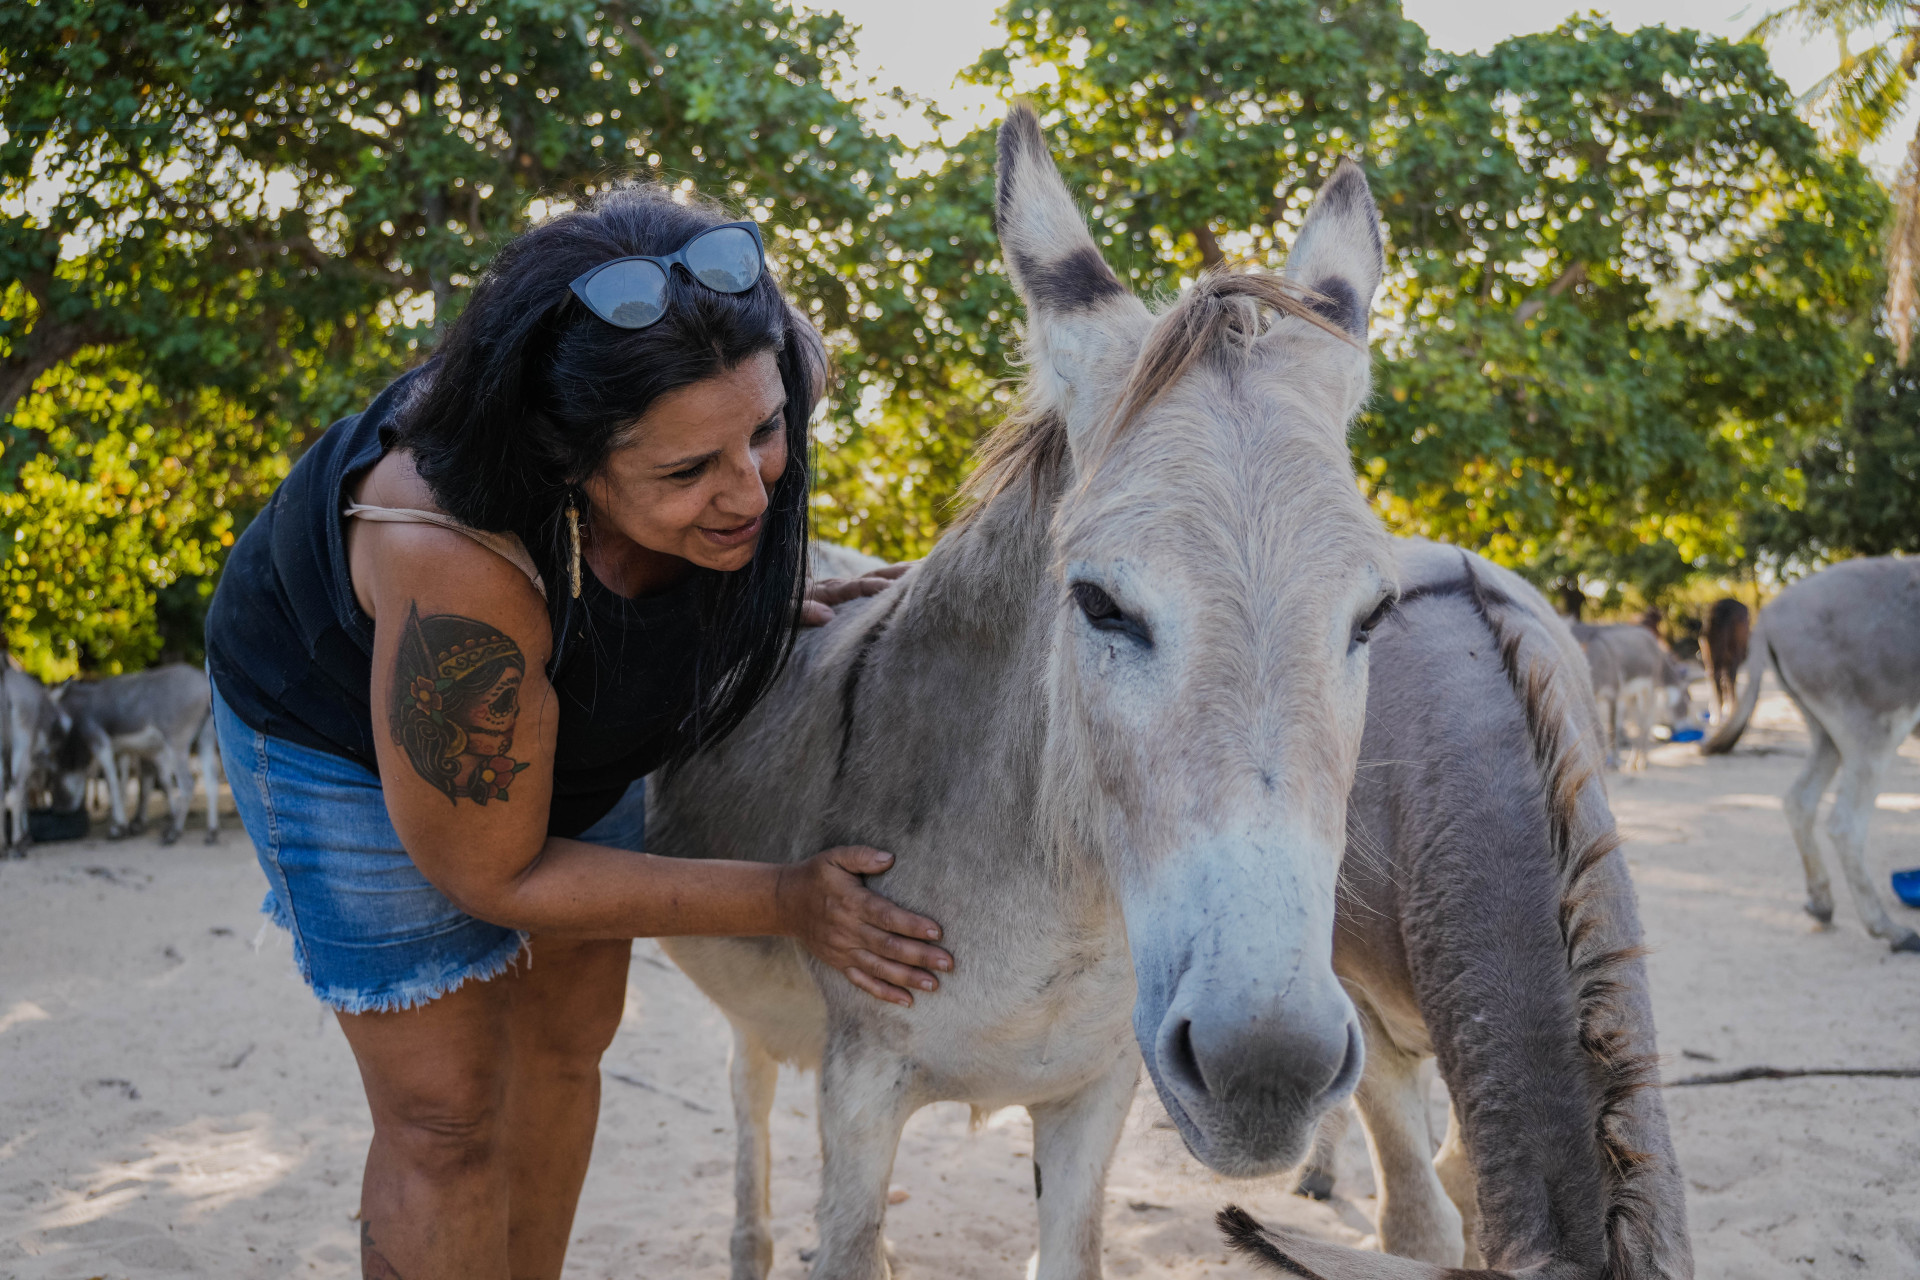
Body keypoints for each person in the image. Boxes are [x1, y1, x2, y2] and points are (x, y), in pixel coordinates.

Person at [204, 184, 952, 1279]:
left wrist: (721, 603)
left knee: (564, 1044)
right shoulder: (450, 554)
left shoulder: (748, 362)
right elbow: (494, 874)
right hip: (343, 725)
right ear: (567, 464)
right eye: (690, 471)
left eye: (765, 434)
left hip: (560, 685)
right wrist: (787, 897)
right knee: (448, 1112)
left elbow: (717, 478)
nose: (749, 489)